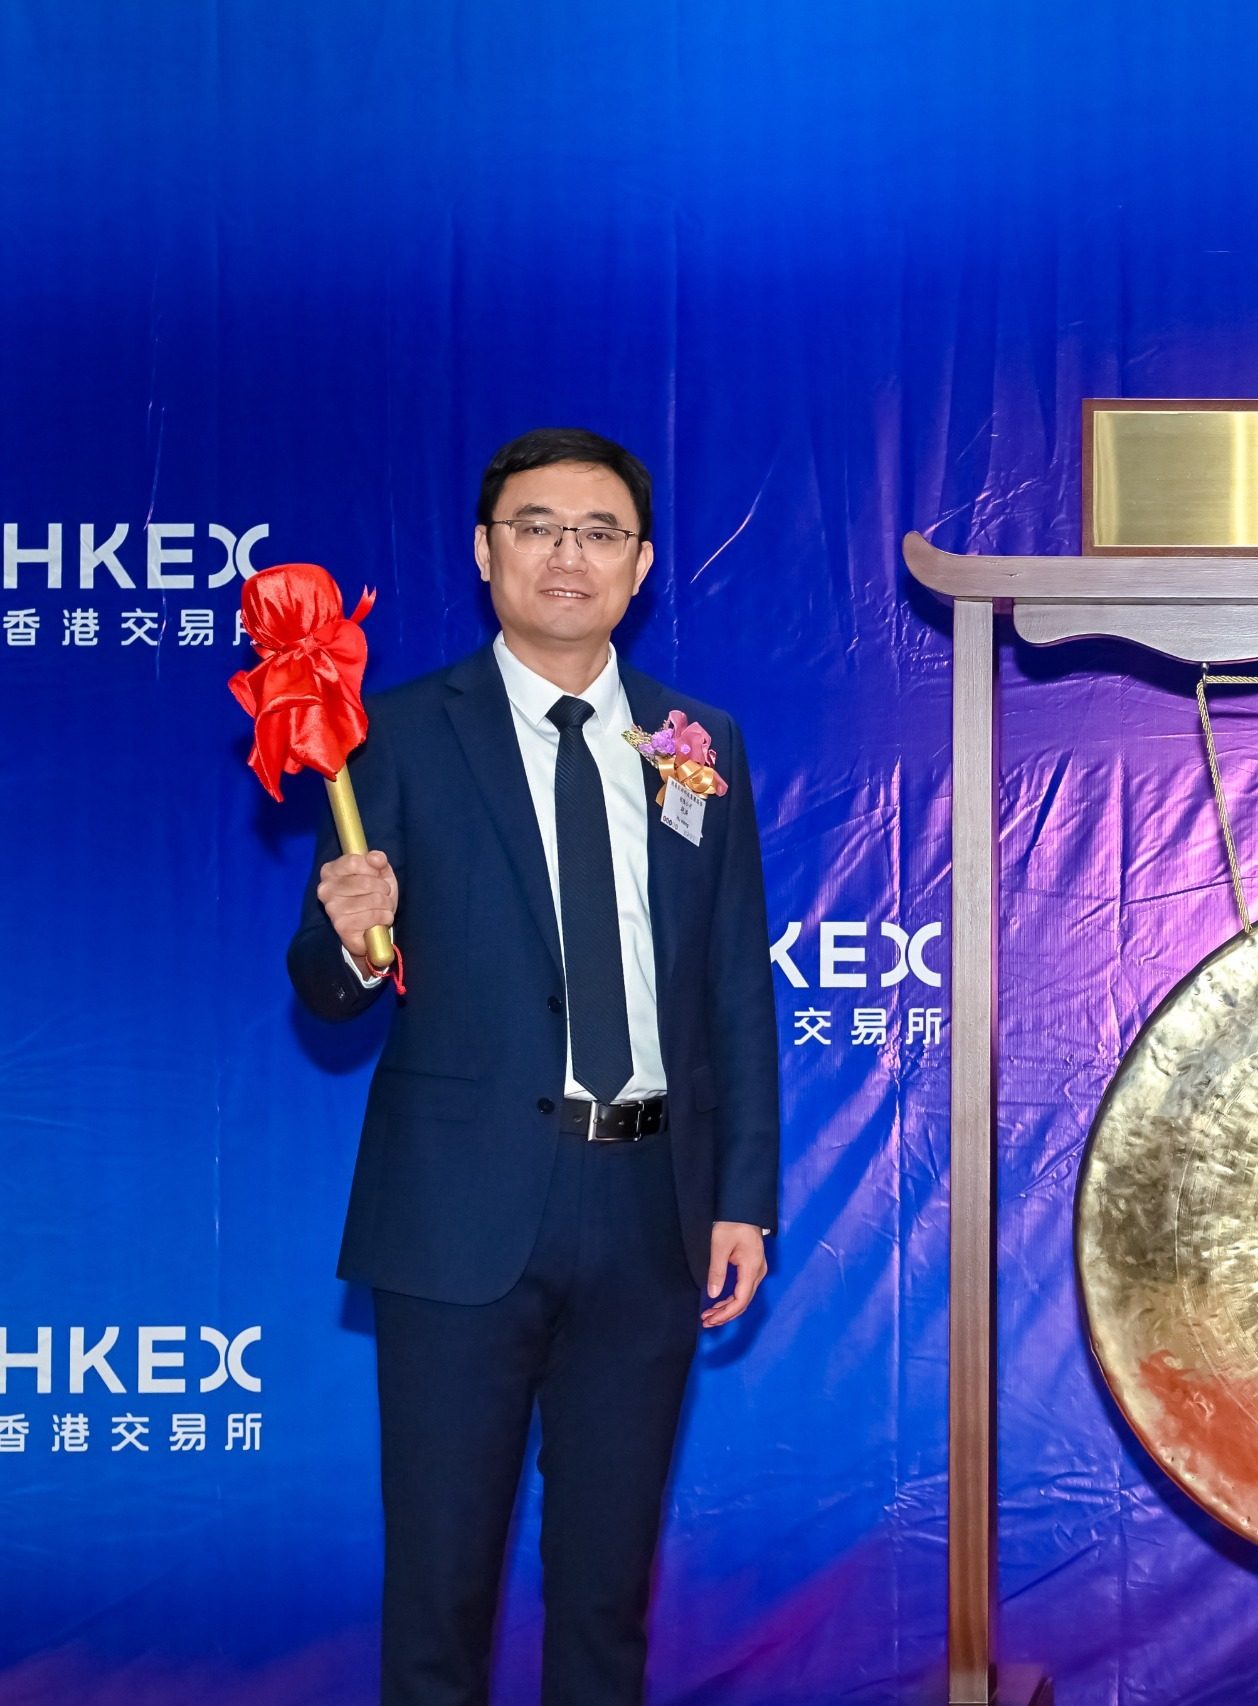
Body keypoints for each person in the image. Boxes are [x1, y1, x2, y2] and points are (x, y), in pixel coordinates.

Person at [288, 428, 779, 1706]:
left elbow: (733, 984)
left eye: (599, 530)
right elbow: (329, 987)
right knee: (440, 1587)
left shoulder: (696, 741)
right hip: (459, 1211)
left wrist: (743, 1195)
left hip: (651, 1210)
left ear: (642, 564)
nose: (568, 552)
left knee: (605, 1592)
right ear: (484, 551)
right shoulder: (385, 737)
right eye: (537, 525)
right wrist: (346, 937)